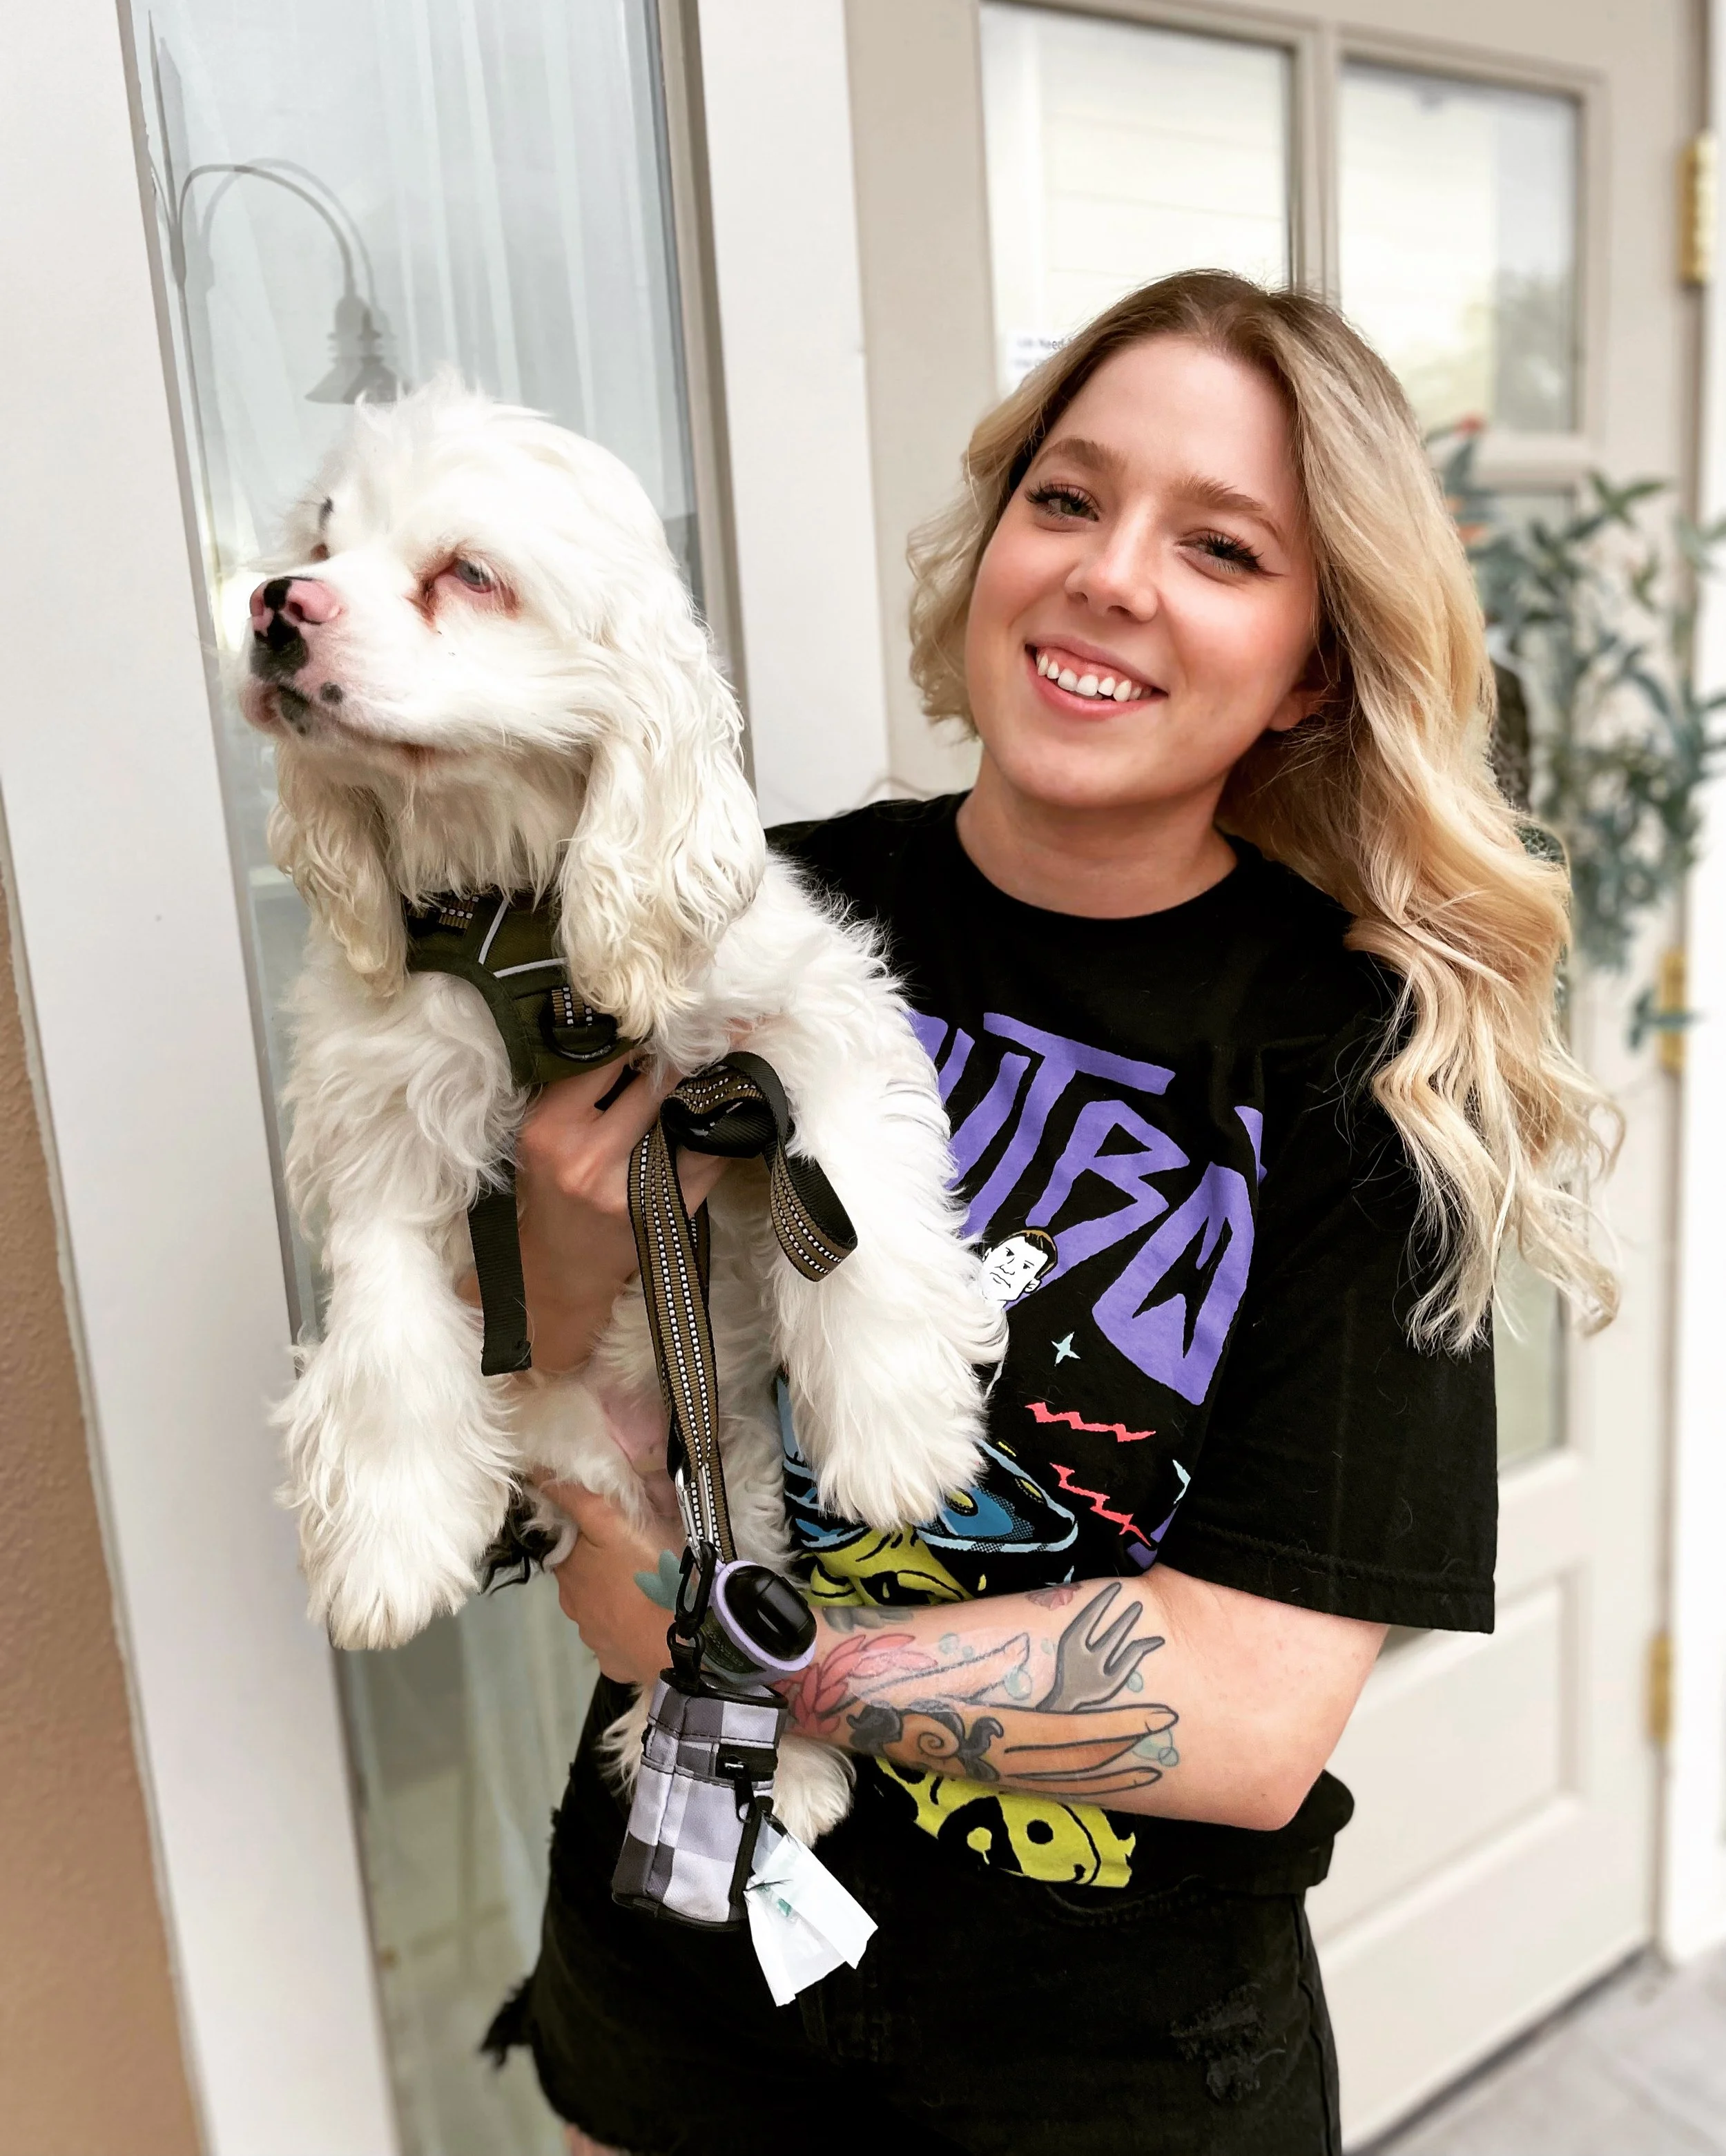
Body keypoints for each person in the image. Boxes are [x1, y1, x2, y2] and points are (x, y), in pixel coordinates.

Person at [483, 271, 1618, 2155]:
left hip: (1103, 2074)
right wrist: (571, 1230)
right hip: (675, 1985)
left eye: (1222, 547)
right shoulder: (748, 924)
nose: (1108, 575)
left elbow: (1246, 1720)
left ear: (1315, 668)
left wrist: (721, 1629)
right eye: (1068, 499)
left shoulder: (1364, 1075)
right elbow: (531, 1414)